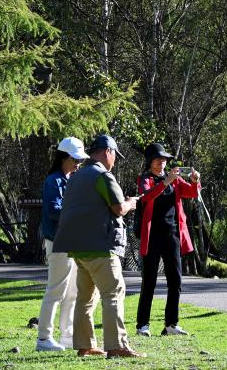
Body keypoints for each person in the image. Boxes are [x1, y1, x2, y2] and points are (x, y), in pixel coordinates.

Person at [52, 134, 144, 358]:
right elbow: (118, 209)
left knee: (85, 298)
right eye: (115, 156)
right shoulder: (103, 176)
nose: (114, 161)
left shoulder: (75, 176)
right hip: (101, 248)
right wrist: (131, 203)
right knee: (113, 293)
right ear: (107, 152)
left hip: (79, 249)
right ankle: (117, 346)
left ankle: (85, 345)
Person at [135, 143, 200, 337]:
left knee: (175, 280)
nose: (162, 163)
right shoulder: (145, 179)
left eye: (164, 160)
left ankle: (171, 324)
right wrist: (165, 182)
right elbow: (146, 197)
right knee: (149, 281)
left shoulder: (174, 179)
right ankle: (142, 325)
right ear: (150, 162)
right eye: (157, 160)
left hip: (172, 234)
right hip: (152, 235)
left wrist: (196, 181)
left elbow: (192, 193)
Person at [35, 137, 88, 352]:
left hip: (71, 241)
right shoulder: (53, 181)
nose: (78, 163)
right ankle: (44, 338)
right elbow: (53, 211)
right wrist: (78, 212)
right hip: (58, 242)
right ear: (63, 158)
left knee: (72, 291)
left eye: (80, 160)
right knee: (56, 290)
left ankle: (67, 335)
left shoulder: (70, 178)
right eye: (74, 159)